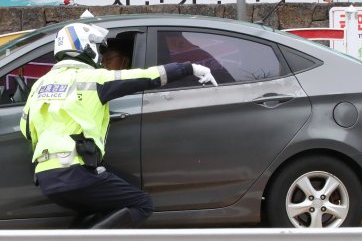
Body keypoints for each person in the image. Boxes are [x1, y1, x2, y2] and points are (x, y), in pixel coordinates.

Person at [20, 22, 217, 229]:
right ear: (88, 48)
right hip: (76, 171)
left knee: (109, 200)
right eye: (99, 48)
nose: (101, 55)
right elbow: (144, 76)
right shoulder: (94, 78)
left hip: (45, 176)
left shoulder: (40, 84)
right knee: (142, 204)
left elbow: (27, 130)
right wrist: (189, 67)